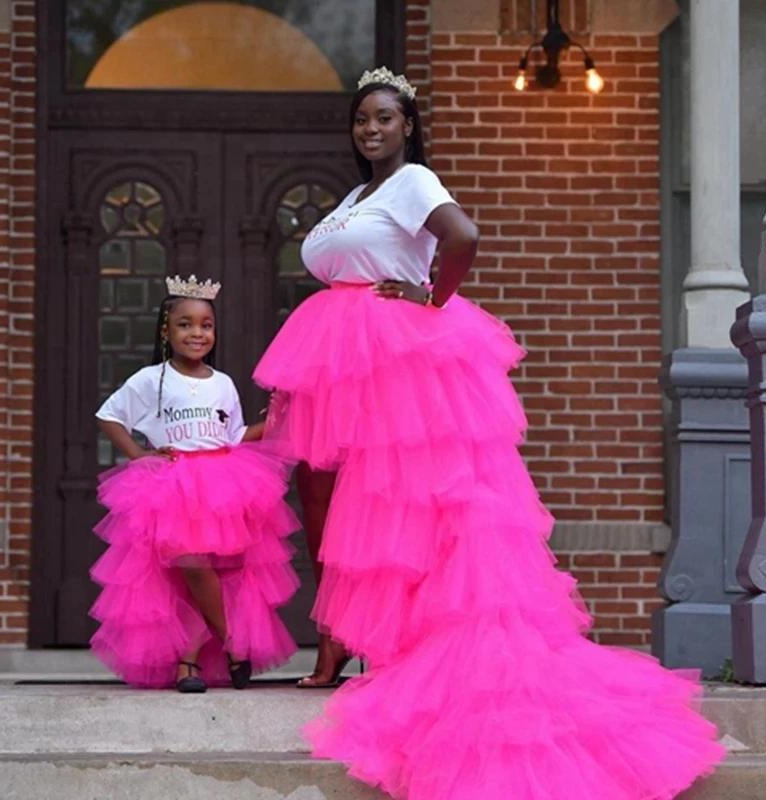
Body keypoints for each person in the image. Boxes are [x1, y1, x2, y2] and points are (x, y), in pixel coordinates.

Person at [254, 68, 724, 797]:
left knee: (399, 506)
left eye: (383, 118)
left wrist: (431, 295)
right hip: (340, 364)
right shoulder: (356, 196)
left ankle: (392, 652)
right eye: (361, 120)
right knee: (343, 510)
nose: (370, 129)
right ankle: (337, 648)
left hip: (396, 364)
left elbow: (462, 235)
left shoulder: (413, 181)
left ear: (407, 124)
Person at [91, 274, 299, 693]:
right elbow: (108, 416)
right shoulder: (152, 379)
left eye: (205, 325)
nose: (197, 333)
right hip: (173, 485)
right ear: (166, 332)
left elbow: (233, 435)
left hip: (222, 483)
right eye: (185, 324)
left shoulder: (222, 383)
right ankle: (234, 643)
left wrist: (274, 420)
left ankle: (189, 661)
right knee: (189, 563)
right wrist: (138, 454)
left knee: (220, 573)